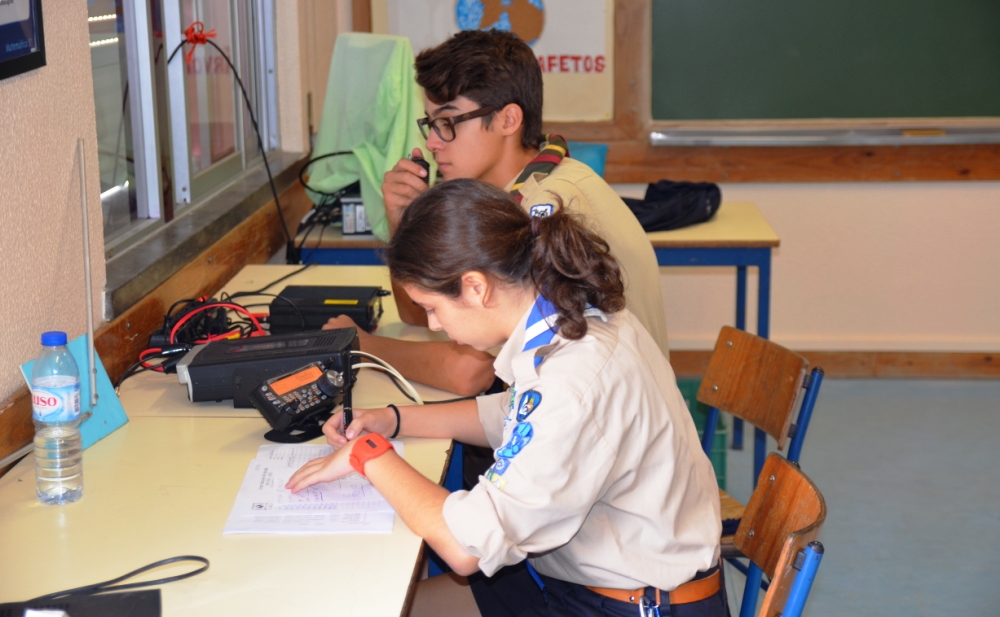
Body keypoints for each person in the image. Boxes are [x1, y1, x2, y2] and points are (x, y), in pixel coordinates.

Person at [292, 180, 723, 617]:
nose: (434, 324)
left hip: (630, 603)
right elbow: (518, 417)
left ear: (476, 287)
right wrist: (396, 419)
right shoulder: (572, 312)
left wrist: (370, 454)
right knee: (396, 606)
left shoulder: (572, 380)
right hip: (583, 574)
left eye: (433, 307)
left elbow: (466, 545)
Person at [324, 29, 668, 397]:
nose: (433, 142)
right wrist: (403, 220)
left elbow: (468, 371)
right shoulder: (525, 186)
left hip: (605, 433)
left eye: (449, 122)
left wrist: (364, 345)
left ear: (508, 120)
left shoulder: (542, 209)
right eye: (430, 123)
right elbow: (425, 315)